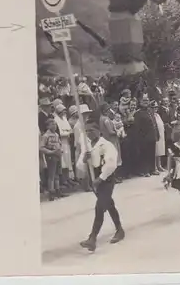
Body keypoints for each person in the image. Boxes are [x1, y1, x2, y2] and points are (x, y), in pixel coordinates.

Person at [79, 122, 125, 252]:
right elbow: (80, 166)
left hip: (106, 179)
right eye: (87, 131)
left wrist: (101, 178)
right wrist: (84, 159)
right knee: (108, 204)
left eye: (92, 130)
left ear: (99, 131)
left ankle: (92, 238)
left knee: (100, 207)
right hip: (94, 179)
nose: (89, 133)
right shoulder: (87, 145)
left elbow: (111, 164)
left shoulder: (107, 145)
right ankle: (120, 230)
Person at [134, 94, 160, 177]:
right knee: (145, 154)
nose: (146, 102)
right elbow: (137, 127)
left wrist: (157, 134)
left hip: (152, 136)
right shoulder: (138, 113)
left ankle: (152, 169)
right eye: (144, 101)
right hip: (144, 138)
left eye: (147, 100)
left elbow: (154, 123)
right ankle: (145, 171)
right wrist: (140, 138)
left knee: (152, 153)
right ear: (140, 102)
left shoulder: (150, 111)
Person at [40, 119, 64, 201]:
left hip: (58, 156)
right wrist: (50, 152)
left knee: (57, 174)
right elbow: (41, 148)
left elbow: (59, 143)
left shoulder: (56, 135)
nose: (54, 126)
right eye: (52, 124)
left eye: (55, 124)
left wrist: (60, 149)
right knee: (51, 175)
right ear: (48, 126)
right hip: (51, 156)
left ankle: (58, 190)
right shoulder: (46, 136)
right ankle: (51, 192)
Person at [54, 104, 75, 189]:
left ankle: (68, 178)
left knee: (68, 161)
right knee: (63, 161)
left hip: (67, 142)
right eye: (62, 111)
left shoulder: (65, 118)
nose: (64, 112)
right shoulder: (56, 120)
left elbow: (70, 129)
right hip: (62, 142)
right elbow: (60, 133)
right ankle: (64, 180)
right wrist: (67, 133)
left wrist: (67, 132)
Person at [151, 100, 166, 173]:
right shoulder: (151, 115)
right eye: (153, 107)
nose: (155, 109)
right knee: (154, 151)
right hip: (155, 135)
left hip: (160, 134)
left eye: (156, 107)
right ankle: (154, 167)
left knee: (159, 150)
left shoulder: (157, 115)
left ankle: (159, 165)